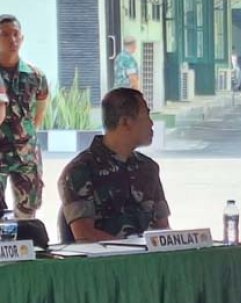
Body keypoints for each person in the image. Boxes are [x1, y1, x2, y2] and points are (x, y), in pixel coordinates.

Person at [59, 87, 170, 241]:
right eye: (146, 115)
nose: (151, 124)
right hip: (106, 262)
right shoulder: (80, 170)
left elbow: (163, 228)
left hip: (148, 260)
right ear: (125, 122)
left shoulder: (148, 168)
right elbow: (85, 235)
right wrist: (136, 250)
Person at [0, 14, 49, 218]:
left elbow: (41, 106)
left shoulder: (35, 75)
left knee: (28, 212)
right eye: (4, 34)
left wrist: (29, 135)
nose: (12, 39)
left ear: (22, 37)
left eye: (16, 34)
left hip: (26, 154)